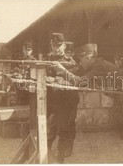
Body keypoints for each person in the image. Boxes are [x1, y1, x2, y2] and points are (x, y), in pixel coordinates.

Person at [46, 33, 79, 163]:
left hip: (67, 101)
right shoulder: (48, 59)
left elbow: (74, 79)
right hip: (53, 99)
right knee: (51, 129)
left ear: (64, 45)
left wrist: (56, 79)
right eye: (54, 45)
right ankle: (46, 153)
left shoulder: (70, 61)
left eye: (59, 45)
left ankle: (60, 157)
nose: (56, 48)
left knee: (64, 129)